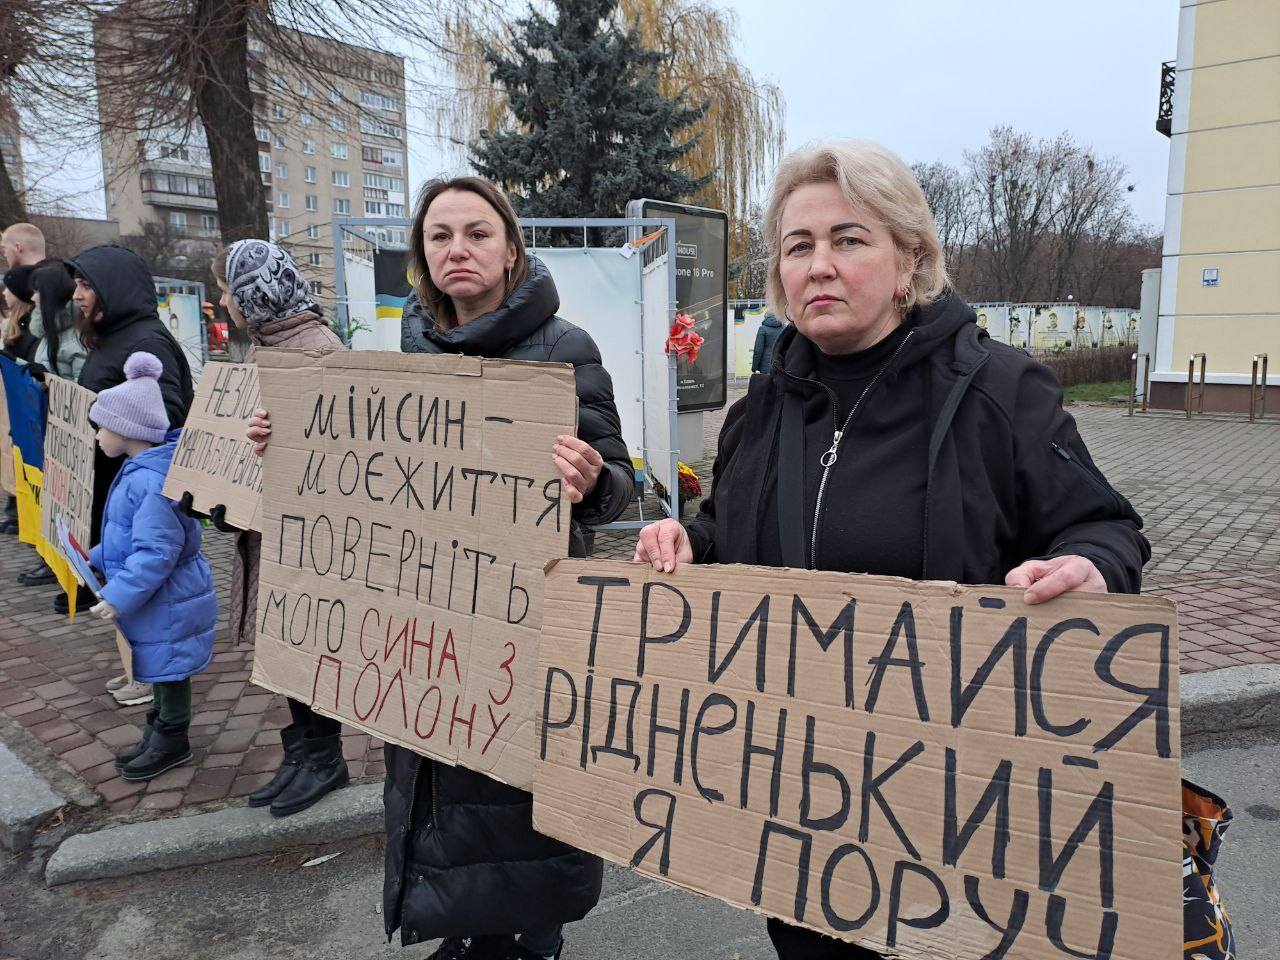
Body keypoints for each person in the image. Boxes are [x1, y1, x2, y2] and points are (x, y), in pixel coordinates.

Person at [633, 140, 1150, 960]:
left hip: (960, 813)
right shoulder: (759, 411)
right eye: (799, 247)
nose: (820, 265)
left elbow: (1107, 528)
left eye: (849, 239)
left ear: (911, 259)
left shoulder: (1002, 391)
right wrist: (688, 546)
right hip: (805, 813)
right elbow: (730, 537)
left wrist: (1091, 566)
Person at [248, 175, 635, 960]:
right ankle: (463, 928)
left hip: (523, 626)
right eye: (440, 236)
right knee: (437, 786)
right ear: (422, 255)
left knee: (516, 797)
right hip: (428, 618)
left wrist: (592, 480)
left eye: (477, 233)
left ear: (511, 248)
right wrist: (289, 440)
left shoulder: (564, 348)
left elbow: (622, 482)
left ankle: (528, 939)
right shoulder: (412, 342)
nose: (458, 249)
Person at [215, 238, 352, 818]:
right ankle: (303, 752)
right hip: (276, 528)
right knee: (287, 643)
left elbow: (342, 457)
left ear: (251, 293)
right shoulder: (273, 347)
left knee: (305, 643)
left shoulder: (313, 350)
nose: (224, 302)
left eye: (227, 290)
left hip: (306, 540)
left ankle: (324, 757)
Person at [86, 351, 217, 780]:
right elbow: (128, 536)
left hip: (169, 598)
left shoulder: (149, 480)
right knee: (159, 665)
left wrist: (118, 596)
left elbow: (155, 552)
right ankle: (158, 730)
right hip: (160, 597)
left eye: (101, 427)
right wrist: (95, 558)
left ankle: (172, 737)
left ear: (126, 430)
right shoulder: (139, 472)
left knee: (170, 668)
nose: (97, 437)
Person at [68, 244, 193, 673]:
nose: (77, 294)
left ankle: (152, 684)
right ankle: (139, 673)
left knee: (148, 593)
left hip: (137, 489)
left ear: (113, 287)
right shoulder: (117, 338)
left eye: (86, 284)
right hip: (118, 485)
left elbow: (167, 413)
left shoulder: (146, 341)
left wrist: (112, 429)